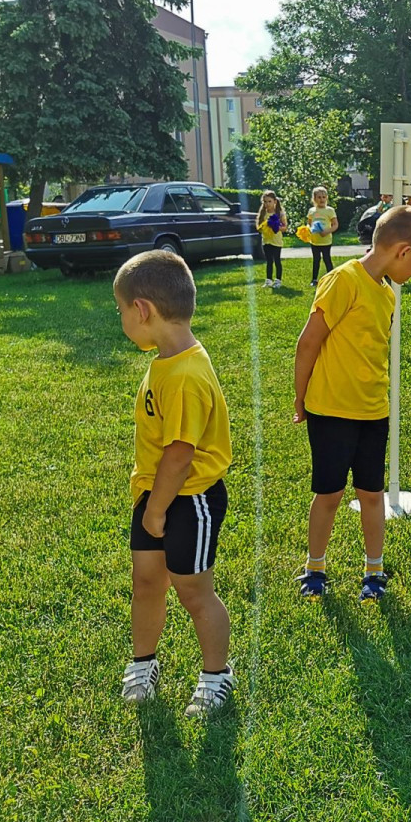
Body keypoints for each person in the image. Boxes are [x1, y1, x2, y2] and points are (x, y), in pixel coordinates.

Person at [114, 251, 234, 716]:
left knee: (192, 590)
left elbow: (181, 454)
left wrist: (158, 510)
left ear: (142, 310)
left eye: (121, 309)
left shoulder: (185, 374)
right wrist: (151, 504)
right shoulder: (165, 359)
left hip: (188, 500)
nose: (121, 318)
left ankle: (216, 675)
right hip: (154, 496)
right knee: (146, 582)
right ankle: (143, 663)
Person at [292, 207, 411, 601]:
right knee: (329, 493)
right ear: (403, 252)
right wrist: (300, 398)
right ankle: (314, 567)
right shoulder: (343, 281)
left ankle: (374, 570)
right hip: (331, 411)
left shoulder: (387, 292)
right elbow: (308, 343)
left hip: (373, 412)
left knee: (371, 494)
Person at [306, 186, 338, 287]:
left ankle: (331, 278)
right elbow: (309, 223)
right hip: (315, 241)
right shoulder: (312, 211)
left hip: (326, 240)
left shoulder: (330, 210)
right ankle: (314, 279)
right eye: (319, 197)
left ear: (327, 198)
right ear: (314, 199)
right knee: (316, 260)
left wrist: (327, 231)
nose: (321, 199)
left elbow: (335, 225)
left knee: (327, 259)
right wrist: (308, 230)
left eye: (324, 197)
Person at [257, 190, 286, 288]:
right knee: (269, 261)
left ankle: (278, 280)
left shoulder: (280, 213)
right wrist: (264, 228)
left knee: (277, 260)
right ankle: (268, 280)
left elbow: (285, 227)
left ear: (275, 201)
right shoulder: (263, 214)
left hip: (276, 241)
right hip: (266, 241)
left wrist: (276, 227)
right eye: (265, 202)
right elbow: (259, 227)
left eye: (269, 201)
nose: (267, 204)